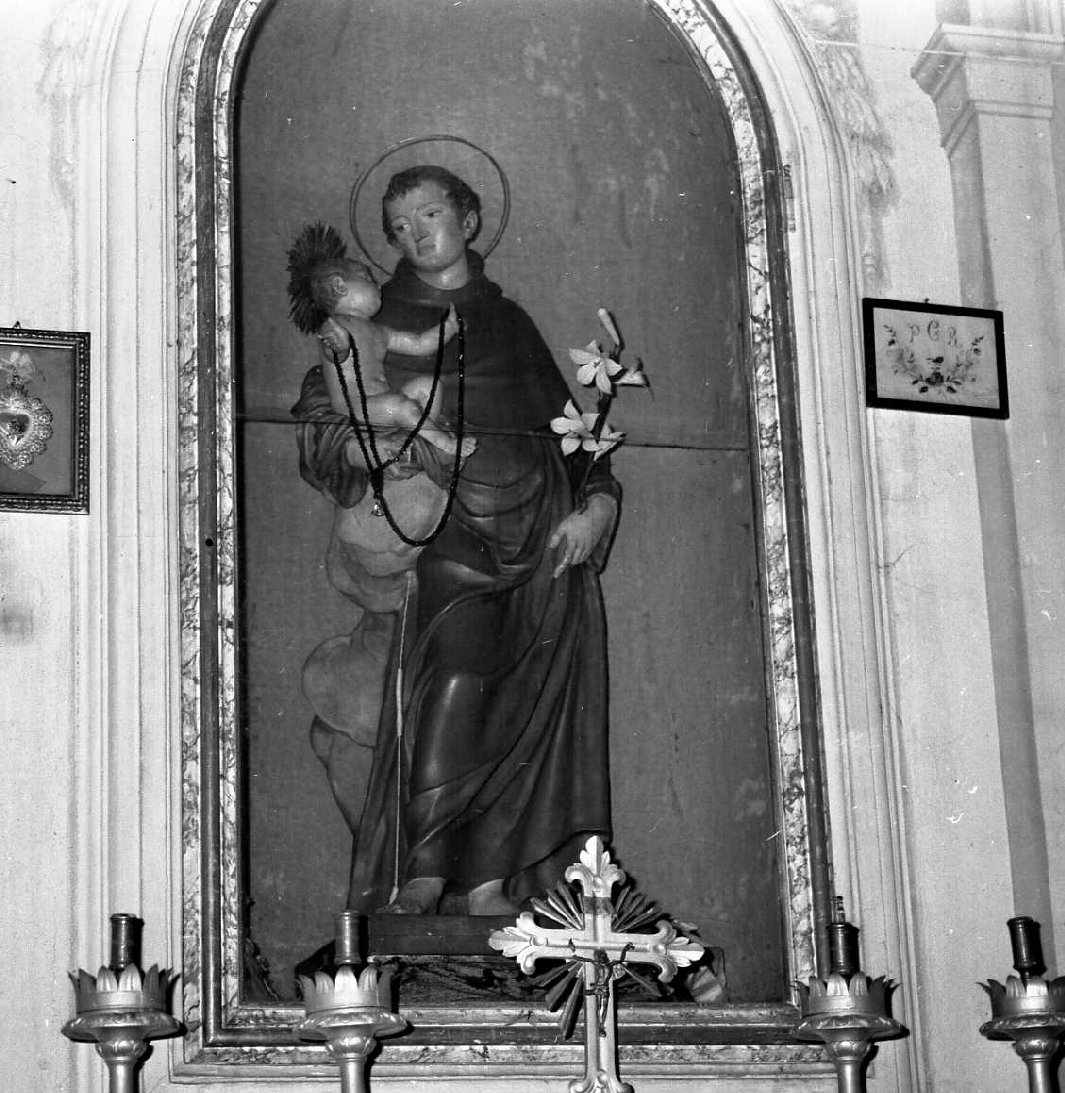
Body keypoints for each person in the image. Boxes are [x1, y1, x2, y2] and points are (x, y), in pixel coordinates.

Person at [293, 164, 619, 916]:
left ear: (469, 221)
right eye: (400, 226)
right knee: (455, 675)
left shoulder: (507, 319)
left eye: (431, 214)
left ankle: (490, 884)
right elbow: (321, 422)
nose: (417, 233)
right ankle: (424, 866)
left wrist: (597, 505)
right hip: (448, 526)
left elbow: (570, 431)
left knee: (523, 707)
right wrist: (361, 448)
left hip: (541, 530)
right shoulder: (370, 321)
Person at [287, 221, 473, 460]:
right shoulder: (335, 326)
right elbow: (334, 352)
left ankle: (416, 436)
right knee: (401, 406)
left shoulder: (376, 330)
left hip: (381, 403)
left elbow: (417, 344)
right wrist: (340, 348)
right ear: (339, 286)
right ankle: (446, 444)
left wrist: (446, 329)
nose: (378, 286)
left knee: (429, 386)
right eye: (367, 278)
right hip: (355, 406)